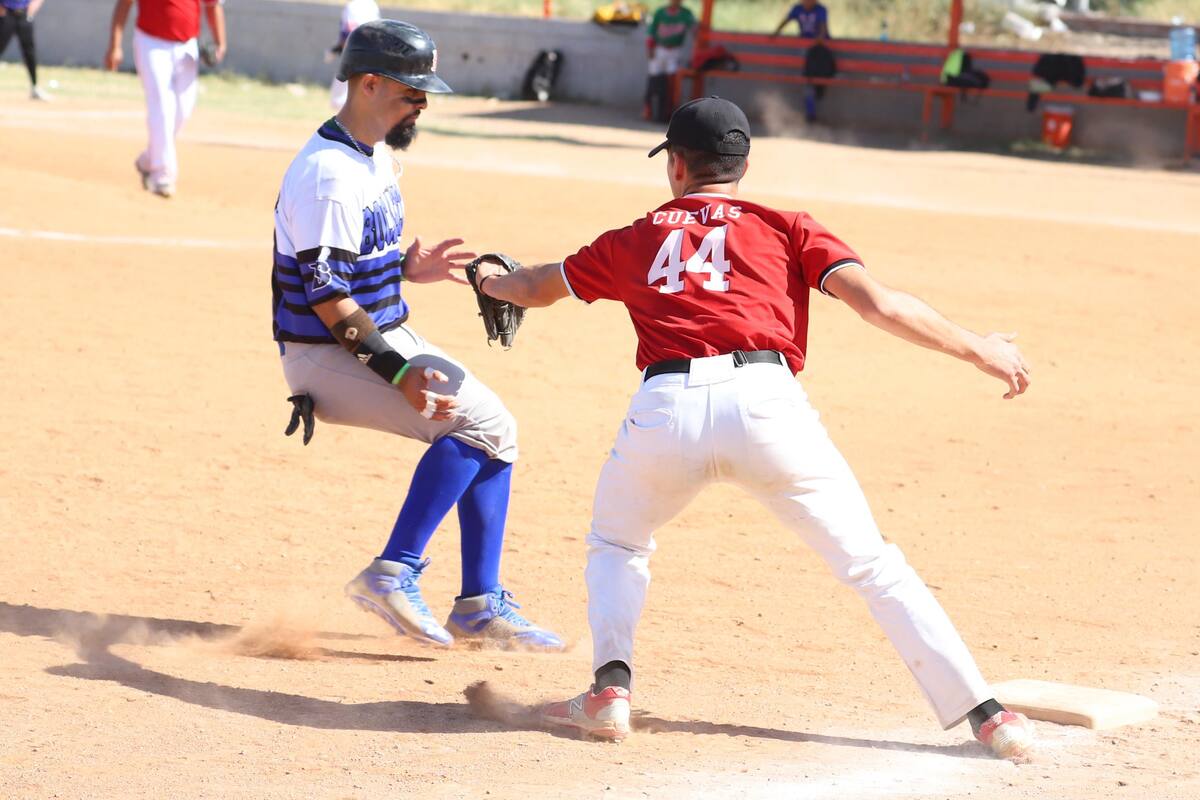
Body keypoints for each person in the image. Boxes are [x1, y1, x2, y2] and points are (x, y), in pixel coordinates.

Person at [469, 96, 1036, 759]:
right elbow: (879, 305)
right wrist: (979, 348)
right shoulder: (785, 225)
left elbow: (536, 285)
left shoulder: (638, 236)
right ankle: (988, 715)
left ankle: (609, 690)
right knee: (875, 568)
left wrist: (490, 280)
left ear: (677, 165)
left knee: (618, 542)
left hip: (666, 408)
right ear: (741, 165)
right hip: (769, 406)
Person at [272, 19, 562, 651]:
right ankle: (393, 572)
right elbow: (325, 293)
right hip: (328, 353)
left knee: (497, 428)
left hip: (376, 335)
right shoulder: (328, 176)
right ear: (369, 83)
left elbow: (347, 265)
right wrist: (396, 373)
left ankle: (479, 604)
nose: (423, 103)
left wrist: (404, 268)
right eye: (412, 90)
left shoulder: (371, 154)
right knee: (472, 423)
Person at [105, 0, 227, 198]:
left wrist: (220, 43)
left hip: (187, 46)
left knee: (183, 110)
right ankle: (162, 176)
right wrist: (115, 45)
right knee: (162, 106)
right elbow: (124, 4)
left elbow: (213, 5)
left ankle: (148, 160)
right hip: (151, 43)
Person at [644, 0, 696, 122]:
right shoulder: (660, 13)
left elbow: (695, 31)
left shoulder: (686, 14)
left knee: (671, 81)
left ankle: (668, 112)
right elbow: (651, 32)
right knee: (654, 79)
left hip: (674, 51)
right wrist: (650, 47)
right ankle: (648, 109)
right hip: (659, 49)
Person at [325, 0, 379, 111]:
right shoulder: (372, 4)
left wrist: (339, 49)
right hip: (372, 54)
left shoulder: (354, 6)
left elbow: (351, 30)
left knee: (339, 101)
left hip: (355, 56)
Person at [0, 0, 48, 100]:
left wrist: (32, 8)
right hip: (6, 13)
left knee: (29, 52)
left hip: (24, 14)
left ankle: (35, 87)